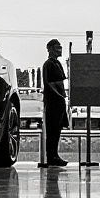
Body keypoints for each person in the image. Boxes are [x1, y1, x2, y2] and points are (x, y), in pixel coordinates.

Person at [39, 39, 69, 168]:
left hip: (60, 100)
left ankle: (55, 155)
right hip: (53, 101)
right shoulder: (48, 64)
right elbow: (47, 83)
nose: (60, 50)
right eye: (57, 47)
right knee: (52, 130)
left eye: (60, 47)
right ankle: (51, 156)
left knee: (57, 130)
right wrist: (57, 95)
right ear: (50, 49)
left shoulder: (58, 64)